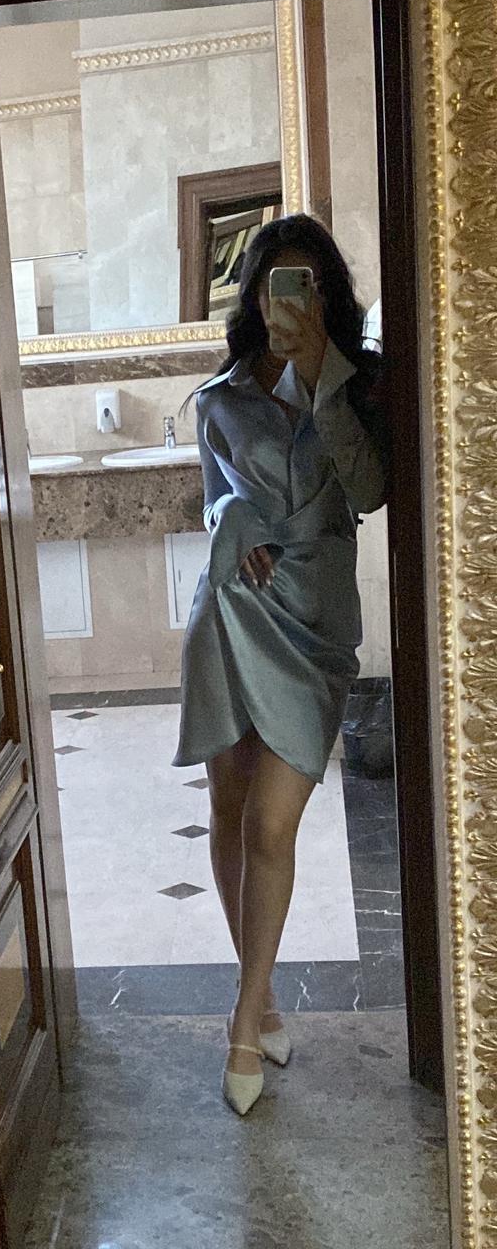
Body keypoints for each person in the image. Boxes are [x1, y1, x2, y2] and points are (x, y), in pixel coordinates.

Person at [174, 214, 389, 1115]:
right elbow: (212, 495)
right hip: (234, 606)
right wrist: (231, 514)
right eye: (273, 284)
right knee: (230, 806)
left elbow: (371, 490)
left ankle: (241, 1016)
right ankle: (257, 1002)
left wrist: (322, 378)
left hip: (315, 623)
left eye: (304, 285)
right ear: (254, 295)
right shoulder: (220, 397)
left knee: (273, 822)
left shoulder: (356, 383)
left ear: (326, 299)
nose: (285, 301)